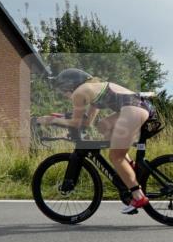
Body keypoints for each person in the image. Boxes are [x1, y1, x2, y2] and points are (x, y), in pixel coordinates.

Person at [37, 68, 152, 214]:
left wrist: (50, 120)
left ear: (69, 85)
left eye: (62, 90)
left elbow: (76, 123)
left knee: (115, 157)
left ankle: (138, 196)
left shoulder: (79, 92)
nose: (64, 95)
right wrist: (62, 117)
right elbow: (87, 123)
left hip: (133, 110)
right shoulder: (94, 90)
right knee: (102, 125)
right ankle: (130, 167)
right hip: (139, 107)